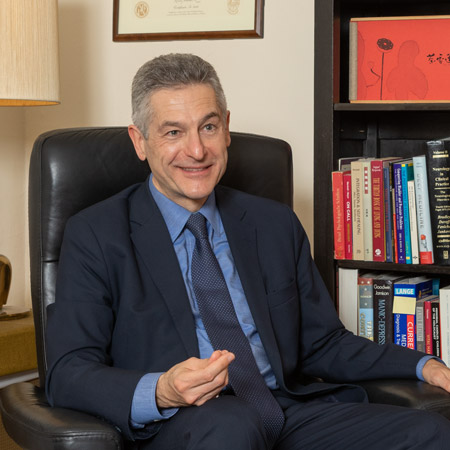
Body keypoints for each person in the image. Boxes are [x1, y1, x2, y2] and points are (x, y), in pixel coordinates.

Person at [45, 53, 450, 450]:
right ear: (139, 141)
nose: (197, 151)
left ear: (227, 129)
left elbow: (322, 343)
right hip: (188, 422)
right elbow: (68, 372)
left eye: (208, 127)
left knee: (432, 433)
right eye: (173, 132)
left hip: (285, 410)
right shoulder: (97, 234)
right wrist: (163, 390)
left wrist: (421, 364)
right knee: (233, 424)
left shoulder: (273, 223)